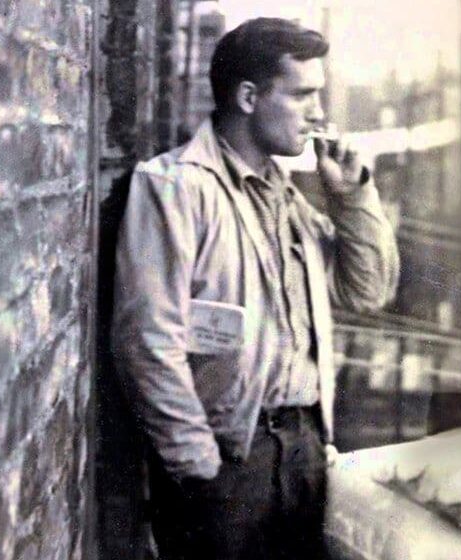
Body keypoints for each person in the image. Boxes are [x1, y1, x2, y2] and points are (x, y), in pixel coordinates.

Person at [112, 17, 399, 560]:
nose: (319, 113)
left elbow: (367, 290)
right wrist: (199, 468)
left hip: (305, 453)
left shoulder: (285, 199)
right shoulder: (175, 187)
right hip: (231, 461)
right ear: (248, 97)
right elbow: (147, 341)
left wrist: (353, 198)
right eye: (303, 95)